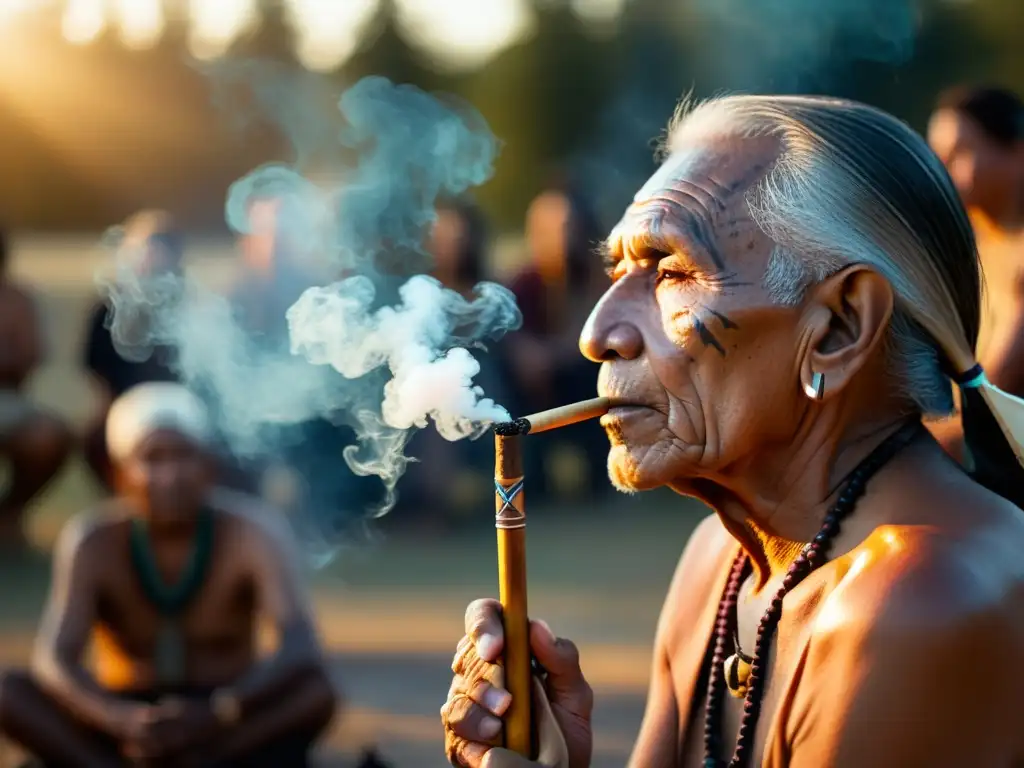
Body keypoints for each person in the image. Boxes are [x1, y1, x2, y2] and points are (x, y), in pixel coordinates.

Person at [440, 95, 1024, 767]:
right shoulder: (717, 562)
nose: (598, 335)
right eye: (617, 274)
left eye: (673, 271)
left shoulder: (926, 600)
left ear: (837, 328)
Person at [0, 382, 339, 767]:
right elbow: (54, 660)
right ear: (120, 473)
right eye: (153, 458)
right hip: (123, 715)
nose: (170, 475)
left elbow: (300, 644)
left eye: (183, 456)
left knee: (315, 693)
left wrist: (219, 712)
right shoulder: (92, 540)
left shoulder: (252, 532)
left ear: (209, 466)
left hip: (223, 717)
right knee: (10, 695)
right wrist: (120, 719)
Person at [926, 86, 1024, 462]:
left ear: (1015, 151)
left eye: (960, 154)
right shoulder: (969, 244)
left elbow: (995, 392)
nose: (943, 170)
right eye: (939, 157)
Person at [502, 182, 608, 500]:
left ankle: (599, 481)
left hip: (580, 382)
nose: (562, 236)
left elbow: (593, 334)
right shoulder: (523, 282)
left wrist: (554, 355)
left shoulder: (596, 279)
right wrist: (527, 354)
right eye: (552, 227)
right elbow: (510, 337)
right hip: (533, 389)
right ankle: (532, 481)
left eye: (568, 226)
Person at [82, 211, 183, 491]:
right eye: (142, 247)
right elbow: (97, 369)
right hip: (125, 404)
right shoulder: (107, 308)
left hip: (180, 405)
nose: (150, 255)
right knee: (98, 437)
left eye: (160, 246)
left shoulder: (190, 306)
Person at [0, 227, 73, 548]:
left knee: (48, 436)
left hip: (6, 400)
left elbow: (29, 357)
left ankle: (7, 515)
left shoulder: (17, 298)